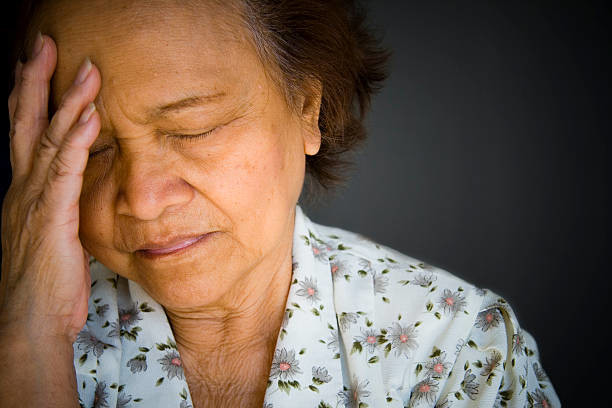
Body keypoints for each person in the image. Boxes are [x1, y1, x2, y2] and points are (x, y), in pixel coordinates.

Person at [0, 1, 560, 407]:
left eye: (194, 129)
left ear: (307, 111)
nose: (142, 201)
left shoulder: (457, 347)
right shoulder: (15, 344)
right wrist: (31, 342)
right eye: (92, 149)